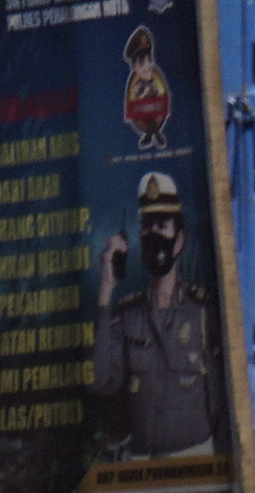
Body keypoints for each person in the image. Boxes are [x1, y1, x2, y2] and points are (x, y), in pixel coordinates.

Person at [91, 174, 226, 459]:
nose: (154, 235)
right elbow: (102, 382)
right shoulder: (129, 313)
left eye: (162, 226)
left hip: (195, 460)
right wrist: (106, 289)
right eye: (146, 227)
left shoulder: (201, 309)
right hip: (141, 467)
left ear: (180, 239)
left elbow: (219, 400)